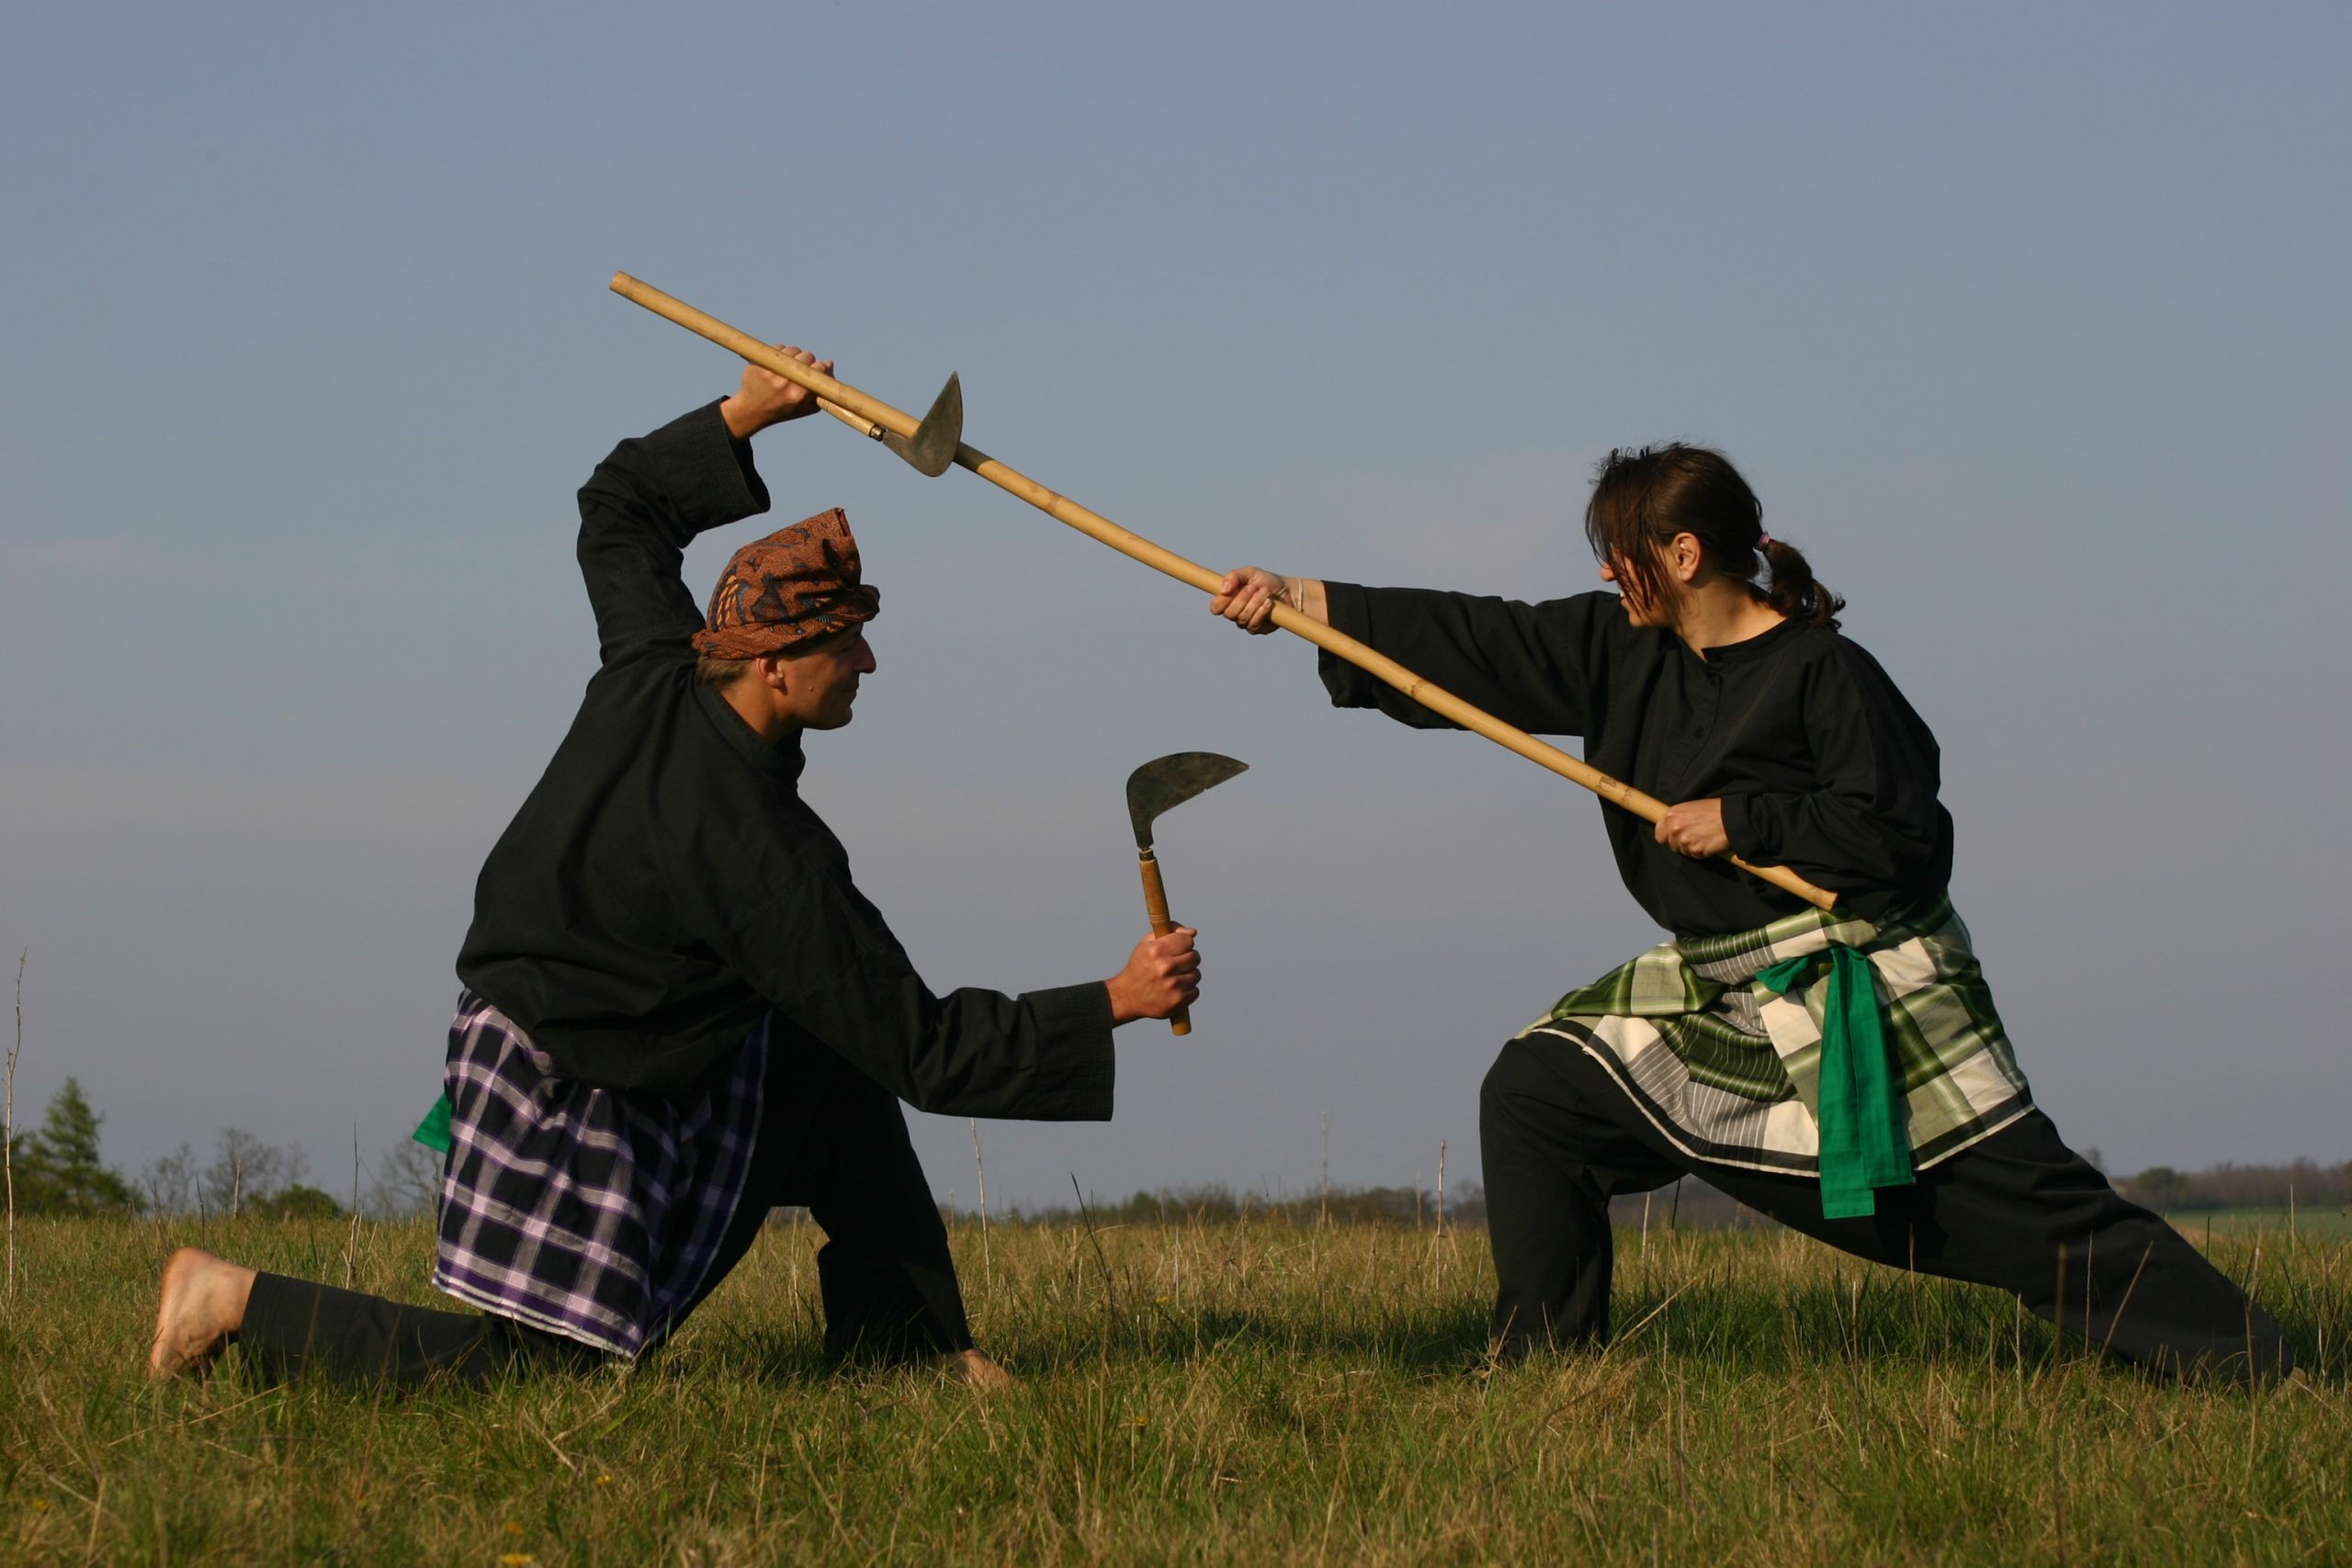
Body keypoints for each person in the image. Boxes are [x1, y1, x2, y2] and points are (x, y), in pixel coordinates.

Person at [151, 347, 1202, 1389]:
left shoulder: (655, 664)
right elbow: (923, 1048)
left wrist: (748, 411)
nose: (869, 663)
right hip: (571, 1083)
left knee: (827, 1068)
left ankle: (907, 1349)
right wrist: (1114, 999)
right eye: (848, 642)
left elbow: (620, 509)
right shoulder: (757, 854)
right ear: (776, 661)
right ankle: (234, 1305)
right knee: (538, 1376)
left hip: (598, 1036)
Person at [1209, 443, 2289, 1383]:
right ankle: (1545, 1369)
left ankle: (2277, 1372)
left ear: (1683, 555)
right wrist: (1301, 600)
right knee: (1539, 1093)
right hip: (1723, 983)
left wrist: (1747, 821)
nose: (1601, 571)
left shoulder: (1828, 674)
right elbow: (1473, 640)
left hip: (1870, 982)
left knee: (2022, 1219)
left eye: (1620, 548)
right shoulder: (1620, 648)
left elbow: (1904, 840)